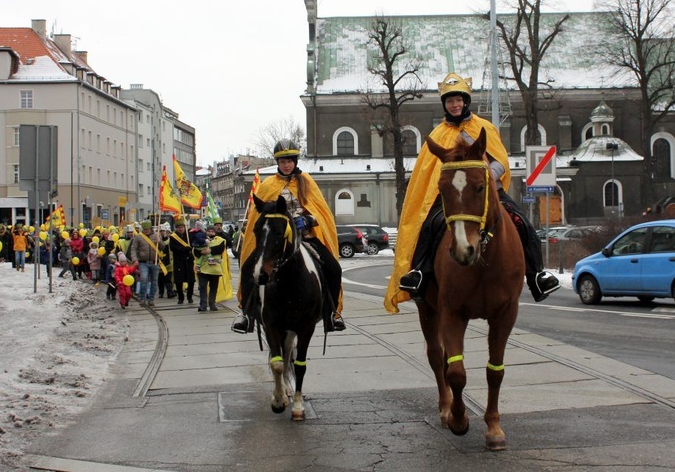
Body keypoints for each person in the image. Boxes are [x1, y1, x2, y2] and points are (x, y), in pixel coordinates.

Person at [387, 72, 560, 311]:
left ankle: (536, 275)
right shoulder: (438, 135)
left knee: (521, 221)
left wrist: (486, 176)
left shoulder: (483, 127)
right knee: (428, 226)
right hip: (454, 196)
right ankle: (419, 273)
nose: (454, 105)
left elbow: (500, 161)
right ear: (444, 105)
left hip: (486, 191)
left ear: (466, 101)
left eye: (458, 100)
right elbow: (429, 171)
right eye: (450, 101)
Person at [232, 139, 346, 333]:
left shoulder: (306, 182)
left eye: (289, 161)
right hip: (276, 240)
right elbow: (258, 215)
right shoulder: (268, 185)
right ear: (278, 163)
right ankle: (247, 314)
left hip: (305, 237)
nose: (286, 165)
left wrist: (309, 220)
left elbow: (321, 211)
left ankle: (331, 314)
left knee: (334, 268)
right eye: (283, 162)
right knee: (249, 266)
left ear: (295, 161)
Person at [194, 225, 224, 312]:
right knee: (202, 287)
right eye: (209, 231)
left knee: (213, 287)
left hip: (214, 269)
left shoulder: (220, 240)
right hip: (203, 268)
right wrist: (201, 252)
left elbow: (221, 249)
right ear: (206, 231)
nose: (211, 233)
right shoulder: (201, 239)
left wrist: (210, 250)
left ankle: (212, 304)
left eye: (212, 231)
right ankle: (203, 305)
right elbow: (195, 250)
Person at [130, 220, 160, 307]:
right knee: (143, 280)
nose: (147, 230)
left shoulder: (156, 235)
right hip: (143, 262)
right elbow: (133, 249)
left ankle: (151, 299)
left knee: (154, 282)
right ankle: (142, 298)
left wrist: (159, 242)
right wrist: (135, 259)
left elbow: (162, 247)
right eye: (145, 229)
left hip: (155, 262)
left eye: (148, 229)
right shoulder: (138, 237)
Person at [169, 218, 196, 304]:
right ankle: (180, 297)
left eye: (182, 227)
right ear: (176, 228)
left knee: (191, 280)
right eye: (179, 227)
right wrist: (183, 249)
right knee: (179, 281)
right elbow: (172, 248)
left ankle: (189, 296)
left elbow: (193, 245)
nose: (180, 229)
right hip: (179, 260)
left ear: (184, 227)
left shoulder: (189, 235)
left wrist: (190, 248)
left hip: (188, 260)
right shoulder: (173, 237)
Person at [156, 223, 175, 299]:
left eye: (163, 231)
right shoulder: (156, 241)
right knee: (160, 279)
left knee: (168, 279)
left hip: (169, 263)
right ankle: (161, 292)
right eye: (160, 231)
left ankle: (170, 292)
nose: (162, 232)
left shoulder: (170, 240)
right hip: (160, 263)